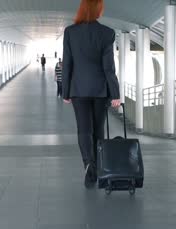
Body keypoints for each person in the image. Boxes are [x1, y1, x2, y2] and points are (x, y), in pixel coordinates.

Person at [62, 0, 120, 188]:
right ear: (98, 10)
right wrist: (115, 93)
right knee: (98, 130)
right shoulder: (107, 33)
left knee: (84, 130)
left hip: (78, 89)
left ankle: (89, 165)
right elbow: (109, 68)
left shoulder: (70, 32)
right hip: (100, 90)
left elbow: (68, 63)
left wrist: (65, 91)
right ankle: (100, 166)